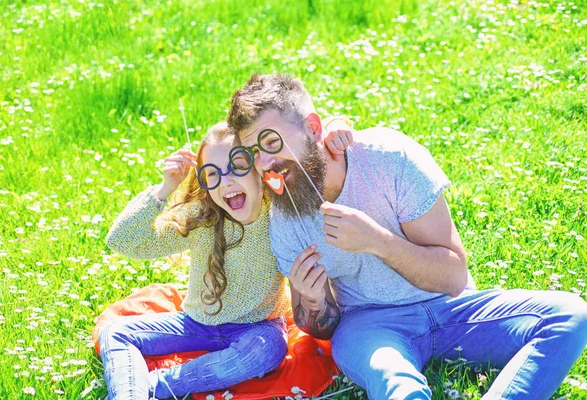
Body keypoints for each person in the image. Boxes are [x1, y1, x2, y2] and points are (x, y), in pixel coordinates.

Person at [226, 73, 587, 400]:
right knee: (396, 384)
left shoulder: (389, 159)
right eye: (253, 152)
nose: (265, 164)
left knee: (571, 316)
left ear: (314, 127)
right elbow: (317, 326)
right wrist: (313, 301)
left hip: (454, 308)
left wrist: (377, 241)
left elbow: (453, 276)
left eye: (271, 142)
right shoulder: (285, 211)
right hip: (370, 325)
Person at [100, 119, 353, 399]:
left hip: (258, 329)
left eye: (237, 166)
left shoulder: (280, 213)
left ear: (259, 169)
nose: (227, 180)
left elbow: (307, 154)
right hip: (196, 325)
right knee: (115, 332)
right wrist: (164, 189)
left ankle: (157, 384)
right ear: (206, 184)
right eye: (213, 173)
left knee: (268, 350)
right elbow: (122, 241)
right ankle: (129, 393)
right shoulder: (201, 217)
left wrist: (334, 126)